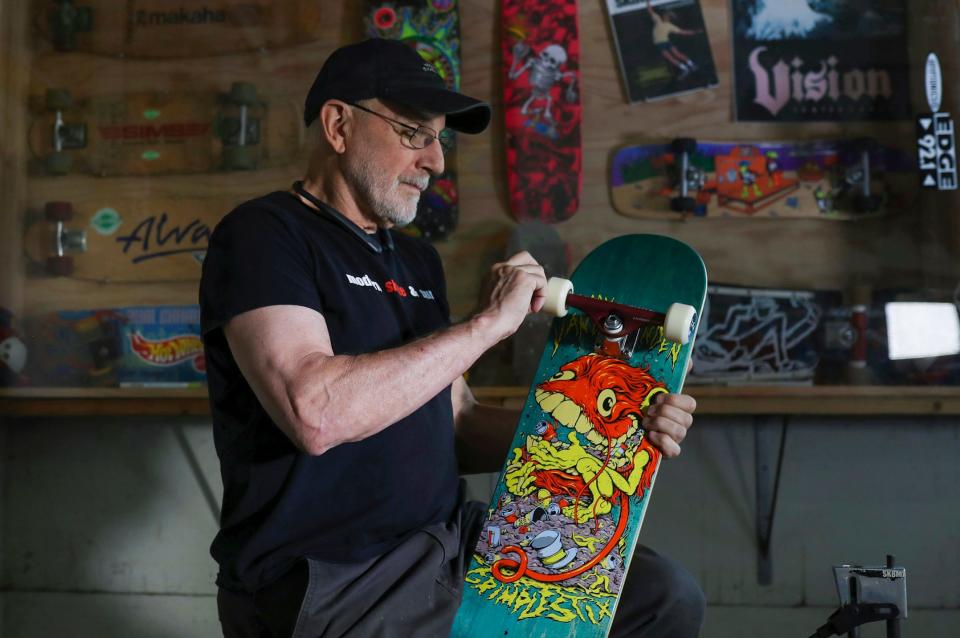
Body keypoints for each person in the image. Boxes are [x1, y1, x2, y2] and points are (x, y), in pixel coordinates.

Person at [200, 38, 704, 638]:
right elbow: (315, 414)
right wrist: (488, 325)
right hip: (330, 576)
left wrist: (608, 433)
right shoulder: (264, 235)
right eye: (414, 132)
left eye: (442, 138)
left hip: (446, 545)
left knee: (662, 596)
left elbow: (456, 424)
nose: (436, 161)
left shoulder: (415, 262)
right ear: (338, 125)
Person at [648, 0, 703, 79]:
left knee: (677, 54)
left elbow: (684, 32)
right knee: (670, 57)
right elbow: (650, 10)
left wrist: (695, 32)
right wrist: (648, 2)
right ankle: (684, 68)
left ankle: (692, 65)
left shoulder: (670, 26)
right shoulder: (658, 20)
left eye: (667, 15)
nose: (665, 16)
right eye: (665, 15)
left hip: (666, 42)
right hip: (660, 43)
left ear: (669, 18)